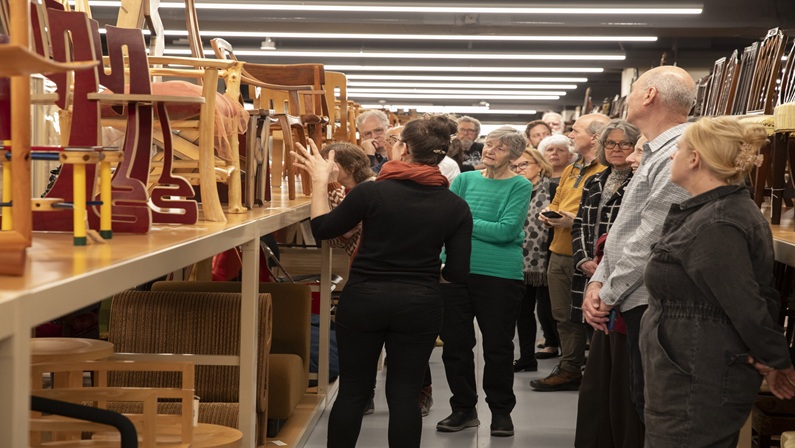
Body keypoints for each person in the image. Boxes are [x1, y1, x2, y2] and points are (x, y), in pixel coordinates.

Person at [292, 114, 473, 448]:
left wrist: (320, 182)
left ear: (402, 149)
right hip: (420, 305)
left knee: (352, 392)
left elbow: (322, 229)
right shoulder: (456, 206)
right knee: (404, 397)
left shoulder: (371, 193)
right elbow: (458, 272)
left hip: (364, 301)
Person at [641, 116, 795, 446]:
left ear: (695, 158)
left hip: (697, 374)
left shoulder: (718, 222)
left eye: (678, 149)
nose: (672, 156)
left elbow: (746, 303)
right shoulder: (712, 212)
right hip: (689, 368)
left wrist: (775, 359)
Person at [582, 65, 696, 422]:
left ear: (649, 95)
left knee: (650, 408)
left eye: (633, 90)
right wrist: (598, 281)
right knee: (637, 401)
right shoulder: (654, 153)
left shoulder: (678, 153)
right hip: (629, 295)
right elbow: (624, 229)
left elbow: (652, 236)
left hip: (647, 302)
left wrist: (607, 293)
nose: (627, 99)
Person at [436, 126, 532, 437]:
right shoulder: (464, 179)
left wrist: (464, 221)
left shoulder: (520, 185)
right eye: (489, 144)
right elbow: (444, 226)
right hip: (455, 273)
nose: (490, 150)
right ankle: (463, 408)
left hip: (500, 276)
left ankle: (501, 412)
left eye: (500, 148)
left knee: (498, 347)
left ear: (514, 156)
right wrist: (441, 259)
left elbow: (506, 231)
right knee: (456, 346)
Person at [571, 119, 644, 448]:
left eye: (625, 145)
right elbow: (580, 223)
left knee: (615, 367)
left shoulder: (640, 181)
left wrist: (604, 272)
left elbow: (631, 237)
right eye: (611, 144)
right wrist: (585, 260)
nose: (617, 150)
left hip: (621, 278)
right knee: (596, 354)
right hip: (593, 271)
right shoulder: (594, 180)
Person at [530, 113, 610, 392]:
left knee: (591, 315)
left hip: (588, 254)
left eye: (576, 131)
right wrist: (549, 213)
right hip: (559, 250)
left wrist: (571, 220)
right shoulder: (572, 168)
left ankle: (596, 372)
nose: (571, 135)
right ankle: (570, 367)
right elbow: (558, 199)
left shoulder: (606, 170)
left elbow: (604, 215)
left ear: (595, 137)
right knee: (563, 315)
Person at [512, 148, 554, 372]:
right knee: (523, 311)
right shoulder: (512, 189)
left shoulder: (553, 188)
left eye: (524, 164)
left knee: (552, 310)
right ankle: (527, 358)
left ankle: (566, 357)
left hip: (548, 258)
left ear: (538, 164)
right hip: (519, 259)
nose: (518, 170)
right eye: (514, 166)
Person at [322, 143, 376, 258]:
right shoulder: (341, 190)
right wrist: (344, 236)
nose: (324, 169)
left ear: (351, 168)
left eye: (330, 164)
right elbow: (331, 241)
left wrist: (332, 184)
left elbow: (342, 222)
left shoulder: (371, 187)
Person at [356, 110, 390, 174]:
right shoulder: (358, 160)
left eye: (378, 130)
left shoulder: (403, 153)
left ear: (389, 128)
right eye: (368, 133)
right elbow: (367, 181)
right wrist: (369, 156)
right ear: (362, 137)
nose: (374, 136)